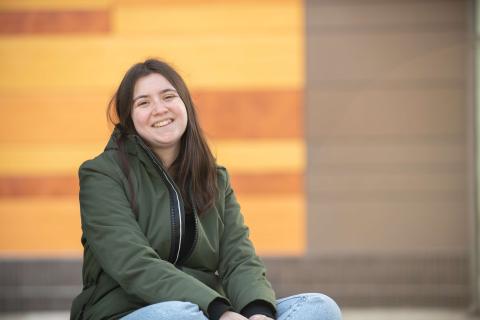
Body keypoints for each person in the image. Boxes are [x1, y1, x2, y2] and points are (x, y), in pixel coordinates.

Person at [70, 59, 342, 320]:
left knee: (319, 308)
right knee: (177, 315)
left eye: (168, 96)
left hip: (208, 311)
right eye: (143, 102)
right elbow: (133, 264)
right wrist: (218, 310)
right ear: (129, 118)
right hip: (129, 312)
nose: (159, 109)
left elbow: (238, 258)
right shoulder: (102, 175)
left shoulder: (215, 178)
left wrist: (258, 311)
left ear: (185, 104)